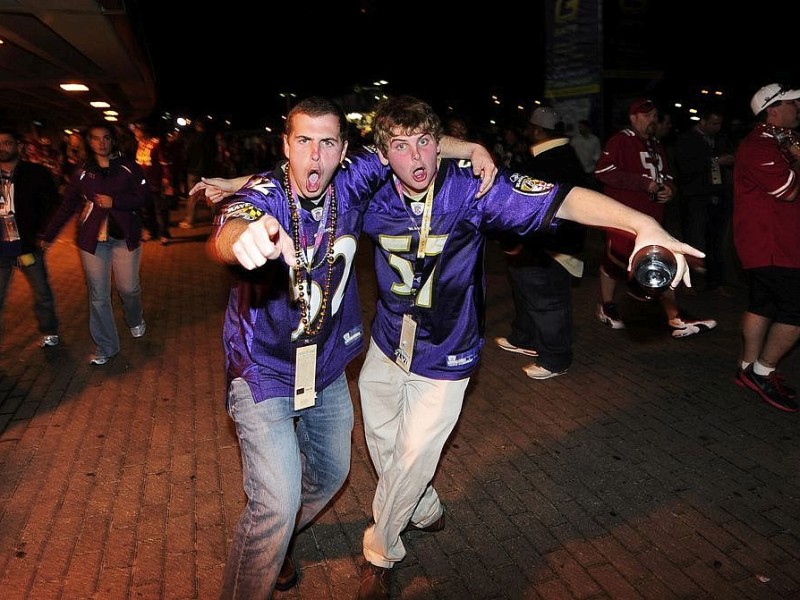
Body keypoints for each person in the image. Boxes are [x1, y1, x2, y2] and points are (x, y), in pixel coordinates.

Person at [355, 95, 705, 600]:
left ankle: (380, 549)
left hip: (447, 352)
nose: (417, 158)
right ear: (384, 154)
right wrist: (241, 190)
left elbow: (564, 198)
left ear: (439, 144)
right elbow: (303, 174)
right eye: (402, 147)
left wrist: (641, 224)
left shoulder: (470, 189)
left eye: (426, 142)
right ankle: (423, 505)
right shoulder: (366, 185)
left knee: (411, 455)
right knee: (385, 447)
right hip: (387, 343)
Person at [197, 96, 496, 600]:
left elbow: (406, 142)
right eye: (304, 142)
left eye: (328, 142)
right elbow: (232, 226)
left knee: (333, 473)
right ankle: (266, 551)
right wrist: (243, 236)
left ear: (345, 149)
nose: (315, 156)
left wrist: (471, 147)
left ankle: (282, 539)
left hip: (329, 365)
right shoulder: (266, 196)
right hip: (263, 370)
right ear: (285, 146)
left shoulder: (355, 182)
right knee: (276, 499)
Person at [594, 98, 717, 338]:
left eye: (654, 115)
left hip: (652, 221)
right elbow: (603, 171)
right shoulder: (621, 140)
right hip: (624, 217)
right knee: (615, 262)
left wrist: (670, 189)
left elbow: (667, 175)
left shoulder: (655, 144)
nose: (652, 119)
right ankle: (609, 306)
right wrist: (643, 183)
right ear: (633, 117)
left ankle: (675, 317)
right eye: (646, 115)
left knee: (658, 263)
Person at [41, 124, 148, 365]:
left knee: (129, 289)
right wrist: (49, 235)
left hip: (124, 237)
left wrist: (115, 201)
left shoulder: (128, 168)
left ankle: (135, 318)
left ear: (113, 141)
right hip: (93, 241)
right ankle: (106, 346)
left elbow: (142, 198)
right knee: (99, 295)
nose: (101, 143)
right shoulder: (81, 172)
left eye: (106, 138)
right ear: (89, 142)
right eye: (96, 139)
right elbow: (67, 205)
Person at [494, 106, 586, 379]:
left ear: (536, 130)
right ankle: (524, 338)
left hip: (546, 245)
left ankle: (556, 358)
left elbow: (528, 208)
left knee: (548, 301)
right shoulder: (563, 155)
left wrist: (513, 241)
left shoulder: (545, 162)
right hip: (545, 244)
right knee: (526, 292)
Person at [732, 83, 800, 412]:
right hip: (772, 245)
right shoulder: (759, 146)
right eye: (793, 103)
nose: (798, 107)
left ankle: (747, 369)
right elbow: (787, 190)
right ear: (773, 109)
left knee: (762, 305)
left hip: (770, 243)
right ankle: (763, 371)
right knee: (796, 310)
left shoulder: (776, 141)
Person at [0, 126, 60, 348]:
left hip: (26, 248)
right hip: (1, 251)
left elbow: (52, 205)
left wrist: (42, 235)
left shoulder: (36, 174)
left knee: (41, 291)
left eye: (7, 143)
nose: (2, 148)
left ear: (19, 146)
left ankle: (49, 330)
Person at [675, 106, 736, 293]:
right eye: (713, 123)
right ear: (702, 121)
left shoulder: (720, 139)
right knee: (693, 240)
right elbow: (686, 167)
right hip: (696, 197)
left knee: (716, 241)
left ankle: (715, 282)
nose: (717, 127)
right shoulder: (687, 139)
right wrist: (716, 161)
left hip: (717, 195)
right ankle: (687, 282)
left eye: (719, 124)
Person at [570, 118, 602, 187]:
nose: (580, 129)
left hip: (590, 169)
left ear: (587, 128)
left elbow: (597, 154)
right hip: (578, 170)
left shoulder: (595, 140)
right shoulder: (575, 140)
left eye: (582, 127)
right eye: (579, 127)